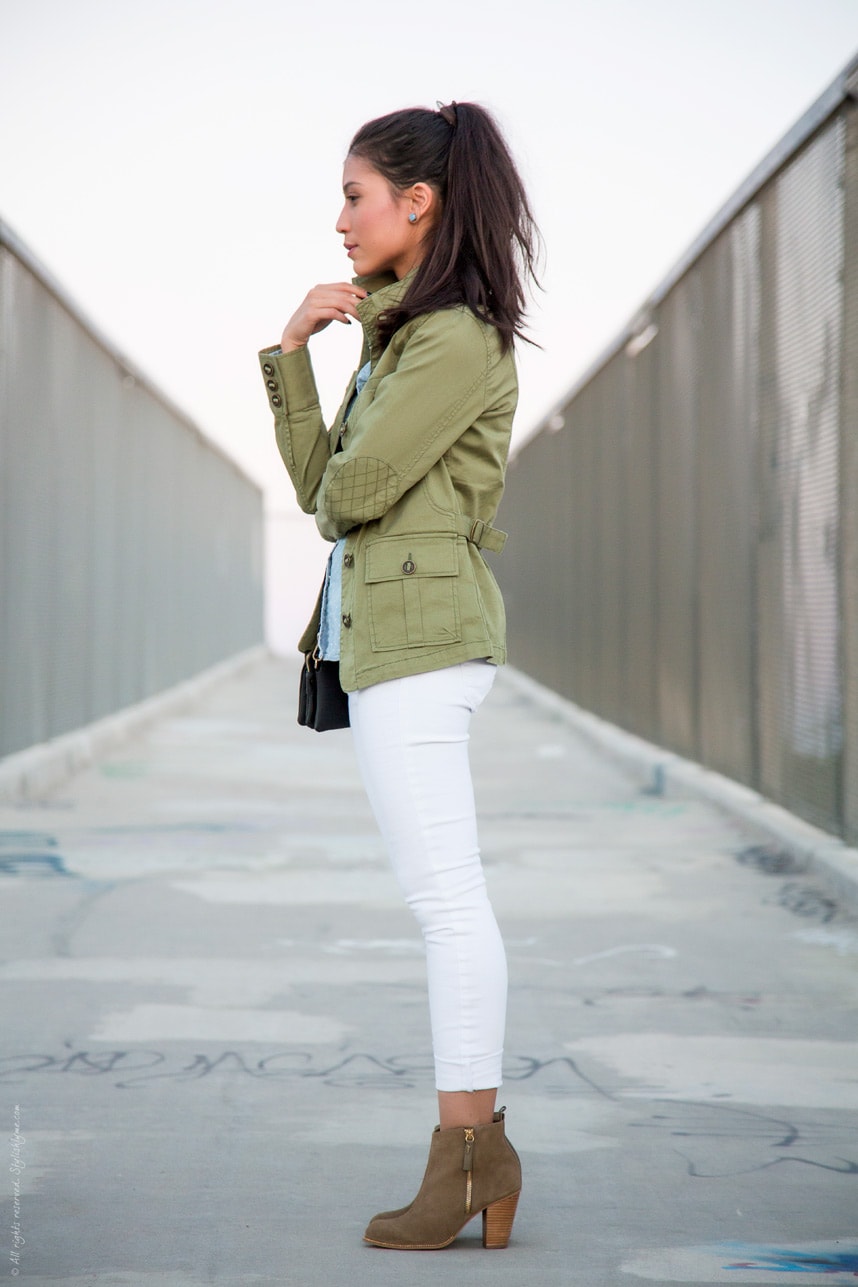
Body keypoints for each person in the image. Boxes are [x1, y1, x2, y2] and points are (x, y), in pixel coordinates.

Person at [258, 100, 539, 1251]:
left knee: (446, 903)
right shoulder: (404, 336)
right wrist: (291, 356)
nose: (339, 221)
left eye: (355, 195)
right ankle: (477, 1156)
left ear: (418, 203)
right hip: (393, 641)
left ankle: (470, 1156)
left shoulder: (454, 339)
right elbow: (323, 481)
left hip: (423, 649)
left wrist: (356, 341)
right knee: (443, 900)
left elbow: (345, 497)